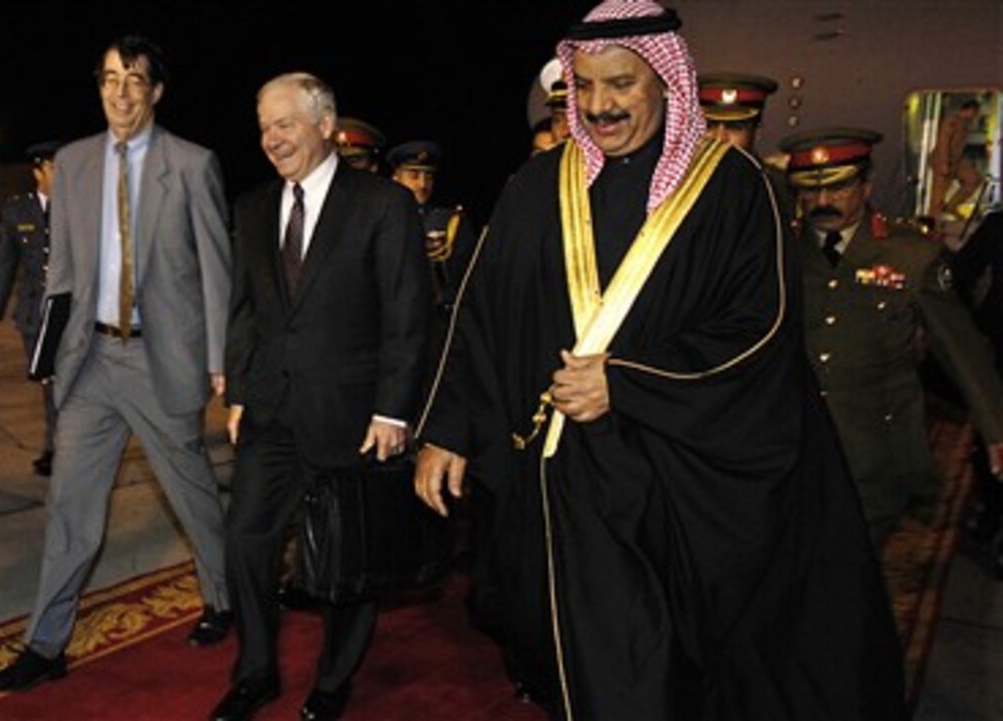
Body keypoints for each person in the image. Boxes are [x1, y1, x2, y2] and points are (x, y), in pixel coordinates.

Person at [413, 2, 907, 719]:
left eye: (620, 85)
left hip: (671, 478)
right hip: (556, 481)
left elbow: (759, 331)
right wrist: (447, 428)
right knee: (567, 646)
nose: (600, 105)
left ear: (666, 83)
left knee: (653, 660)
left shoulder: (735, 191)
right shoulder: (533, 188)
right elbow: (479, 315)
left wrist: (626, 383)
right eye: (585, 87)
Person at [0, 34, 233, 692]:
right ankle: (46, 642)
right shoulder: (72, 163)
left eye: (135, 80)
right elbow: (62, 269)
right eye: (109, 79)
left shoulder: (191, 164)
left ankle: (224, 596)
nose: (121, 93)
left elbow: (216, 268)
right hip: (90, 361)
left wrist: (217, 360)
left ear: (155, 91)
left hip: (162, 359)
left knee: (193, 493)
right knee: (70, 508)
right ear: (99, 87)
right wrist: (54, 355)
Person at [211, 72, 430, 721]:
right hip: (271, 413)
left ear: (325, 124)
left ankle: (334, 679)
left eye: (285, 123)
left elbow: (407, 313)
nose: (271, 138)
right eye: (263, 126)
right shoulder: (252, 209)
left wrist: (393, 409)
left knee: (343, 555)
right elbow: (245, 311)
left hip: (352, 416)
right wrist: (240, 392)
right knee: (245, 541)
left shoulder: (381, 204)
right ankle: (255, 672)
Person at [779, 127, 1003, 550]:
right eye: (810, 191)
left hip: (875, 446)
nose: (823, 202)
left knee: (856, 561)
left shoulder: (910, 256)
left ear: (865, 185)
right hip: (795, 441)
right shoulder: (780, 250)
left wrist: (995, 429)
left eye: (838, 188)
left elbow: (962, 349)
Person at [0, 140, 62, 477]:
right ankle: (55, 447)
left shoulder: (81, 209)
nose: (62, 175)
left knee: (67, 383)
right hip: (32, 314)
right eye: (55, 169)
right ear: (38, 172)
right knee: (48, 383)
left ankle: (60, 448)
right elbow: (5, 264)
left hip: (68, 312)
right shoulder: (18, 211)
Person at [948, 207, 1003, 576]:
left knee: (993, 433)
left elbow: (960, 276)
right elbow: (959, 276)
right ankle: (993, 511)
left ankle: (992, 511)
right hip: (995, 345)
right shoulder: (998, 225)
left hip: (995, 343)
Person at [387, 140, 477, 320]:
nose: (422, 184)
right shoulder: (383, 220)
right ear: (396, 178)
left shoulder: (449, 222)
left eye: (428, 176)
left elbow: (465, 282)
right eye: (413, 175)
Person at [697, 71, 793, 219]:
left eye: (734, 127)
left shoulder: (776, 188)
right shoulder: (673, 184)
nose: (720, 138)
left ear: (757, 131)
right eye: (709, 126)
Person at [927, 99, 984, 222]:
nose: (975, 116)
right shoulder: (951, 122)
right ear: (968, 110)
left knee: (974, 178)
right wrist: (943, 162)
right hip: (942, 160)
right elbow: (943, 142)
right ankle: (932, 224)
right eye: (975, 113)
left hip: (956, 162)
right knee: (938, 196)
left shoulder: (965, 126)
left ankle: (952, 206)